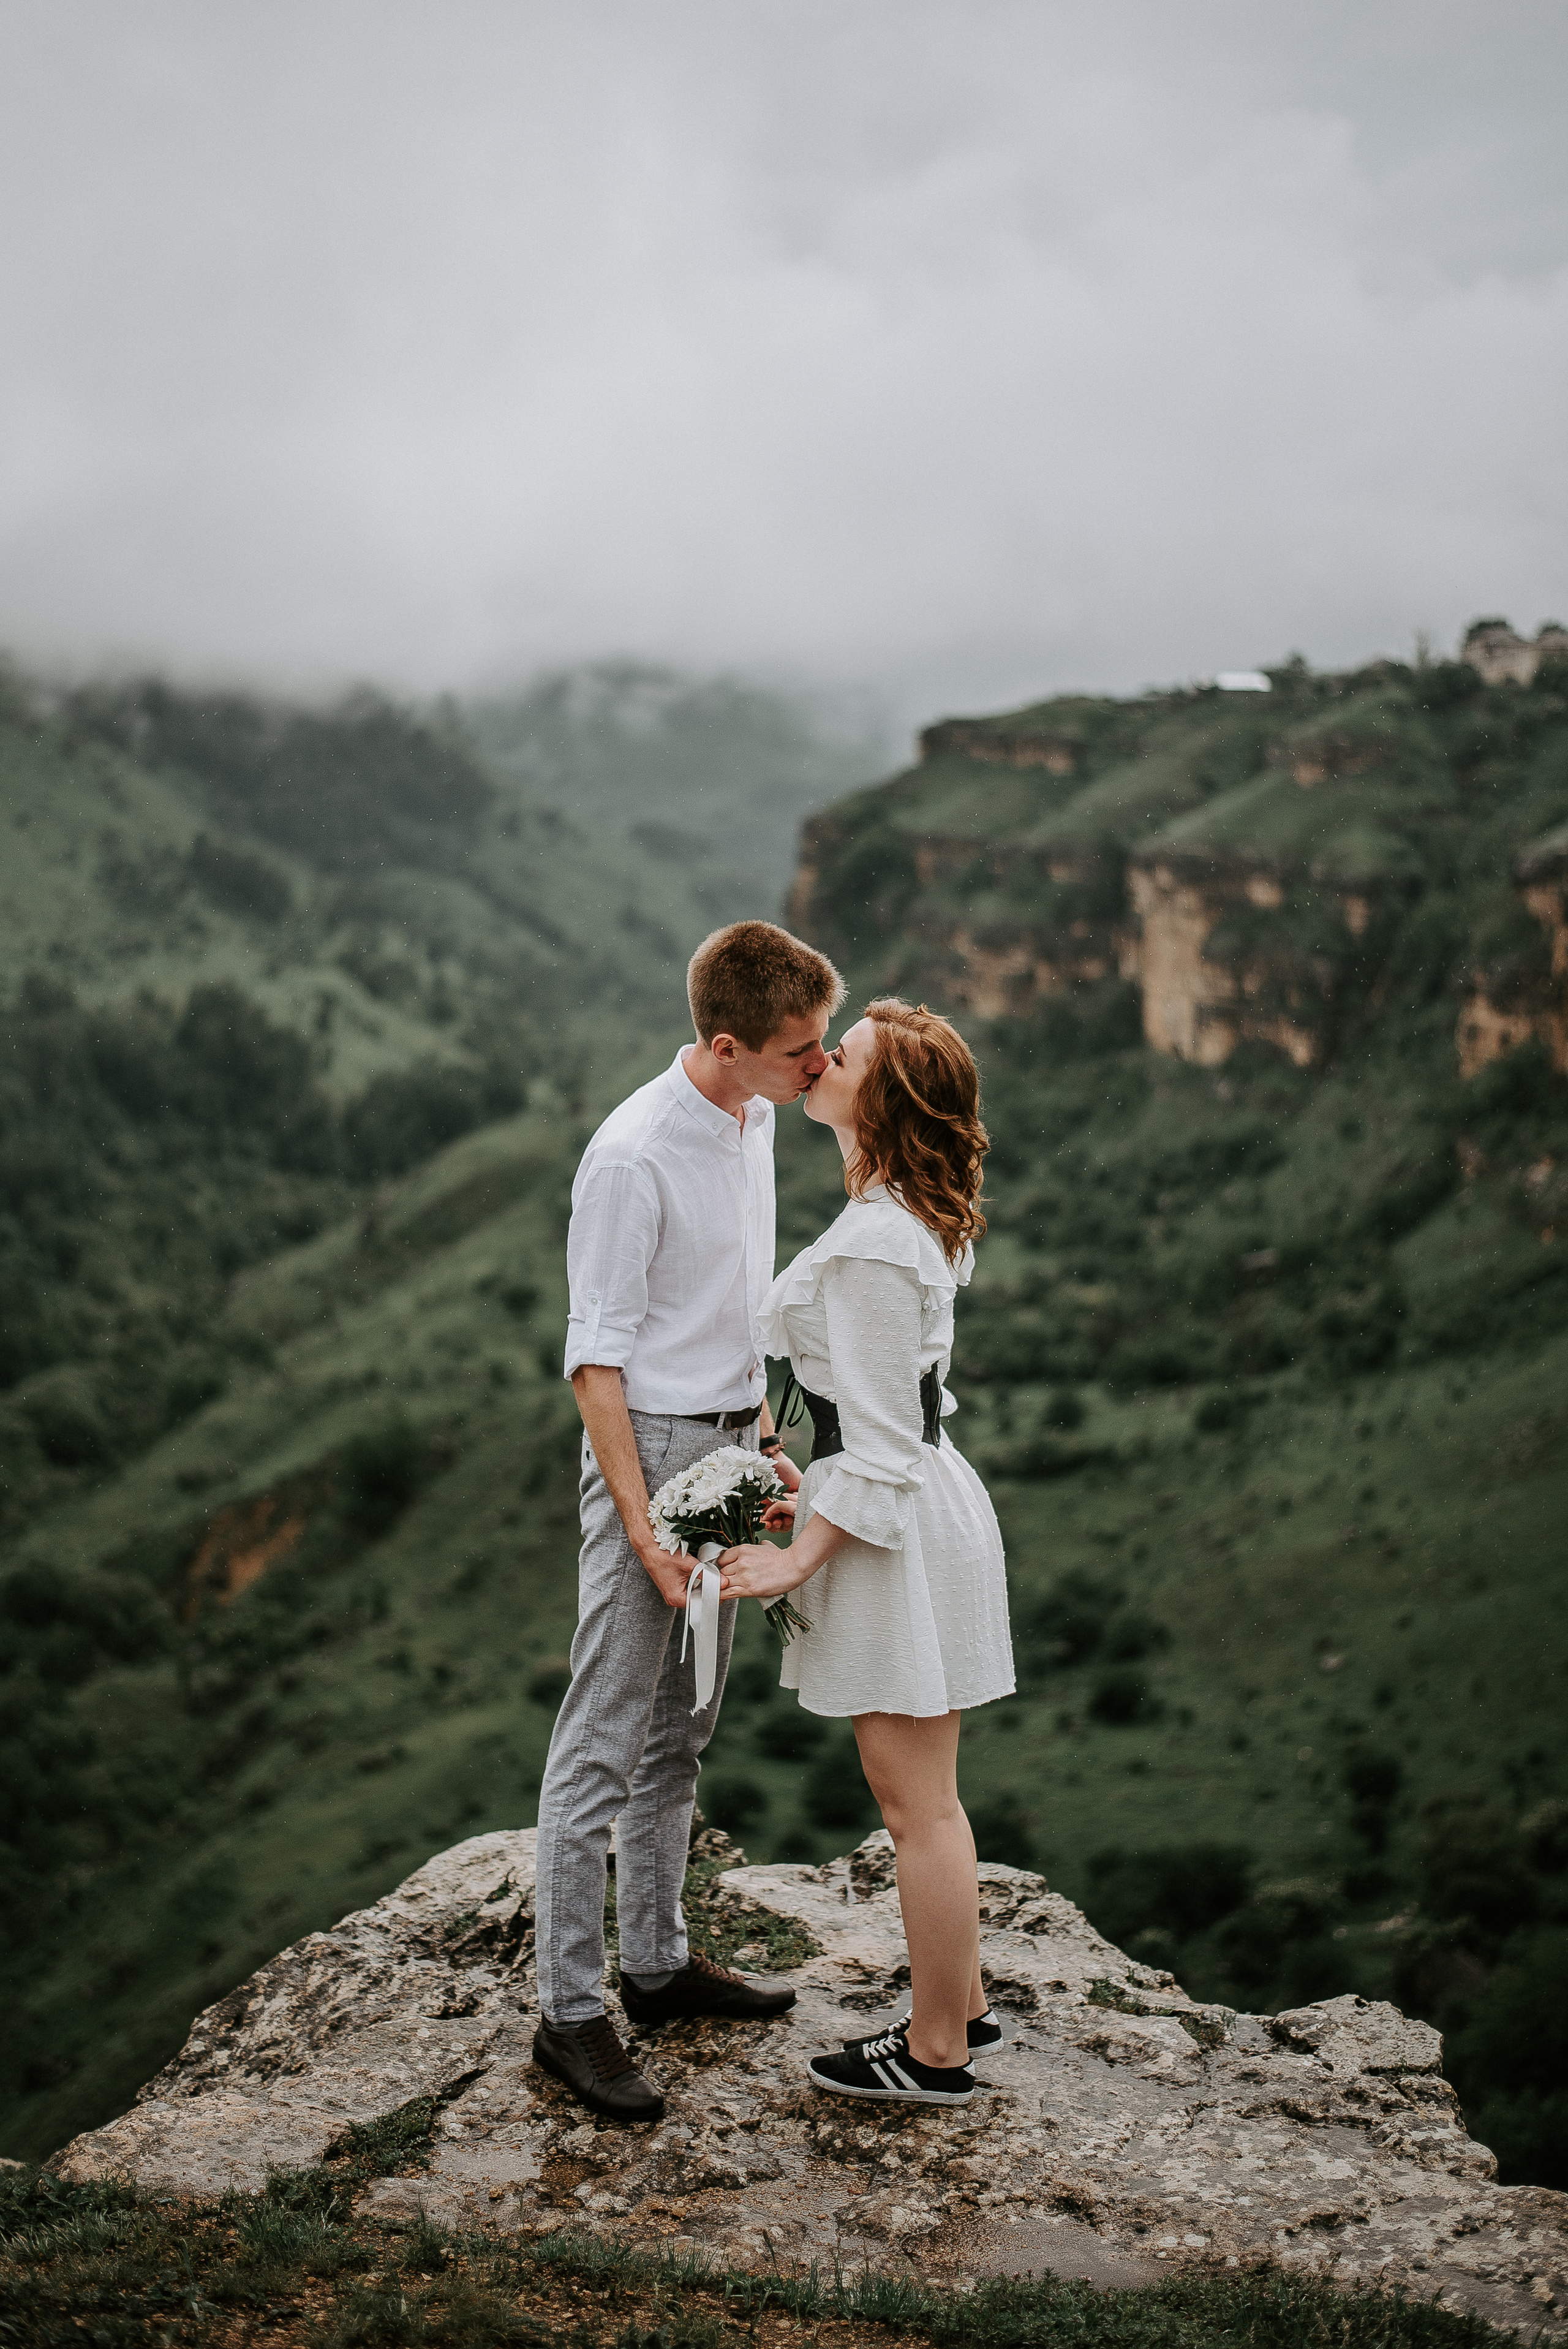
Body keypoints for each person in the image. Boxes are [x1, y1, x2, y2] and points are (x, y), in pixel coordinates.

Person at [532, 921, 845, 2122]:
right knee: (604, 1730)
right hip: (650, 1454)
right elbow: (594, 1364)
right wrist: (642, 1527)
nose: (820, 1064)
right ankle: (568, 2012)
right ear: (726, 1045)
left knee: (685, 1719)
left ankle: (656, 1965)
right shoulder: (631, 1157)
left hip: (727, 1442)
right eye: (801, 1048)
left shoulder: (755, 1116)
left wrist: (760, 1433)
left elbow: (725, 1304)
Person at [718, 998, 1014, 2108]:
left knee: (914, 1806)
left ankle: (935, 2053)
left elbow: (883, 1441)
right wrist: (818, 1483)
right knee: (929, 1795)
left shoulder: (877, 1241)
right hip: (911, 1502)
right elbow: (887, 1417)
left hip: (898, 1527)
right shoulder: (900, 1217)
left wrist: (798, 1559)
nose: (819, 1057)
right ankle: (963, 2004)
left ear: (879, 1101)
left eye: (840, 1053)